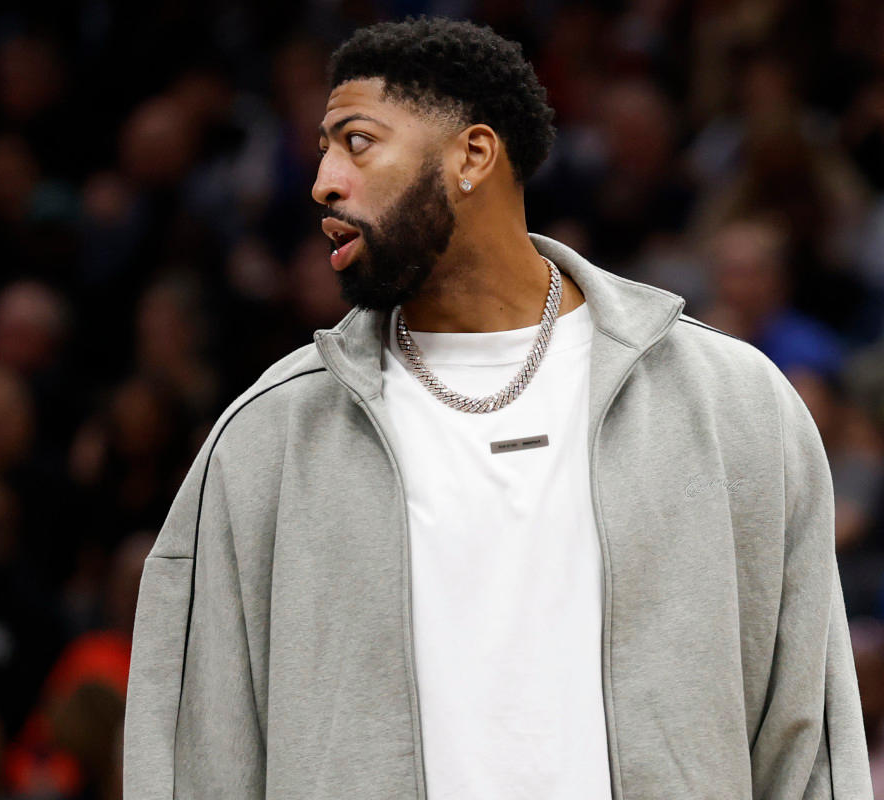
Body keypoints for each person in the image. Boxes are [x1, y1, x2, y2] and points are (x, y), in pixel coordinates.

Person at [123, 17, 872, 799]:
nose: (324, 182)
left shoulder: (729, 403)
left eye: (356, 141)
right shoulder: (266, 438)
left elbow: (808, 743)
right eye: (322, 148)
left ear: (472, 154)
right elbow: (196, 757)